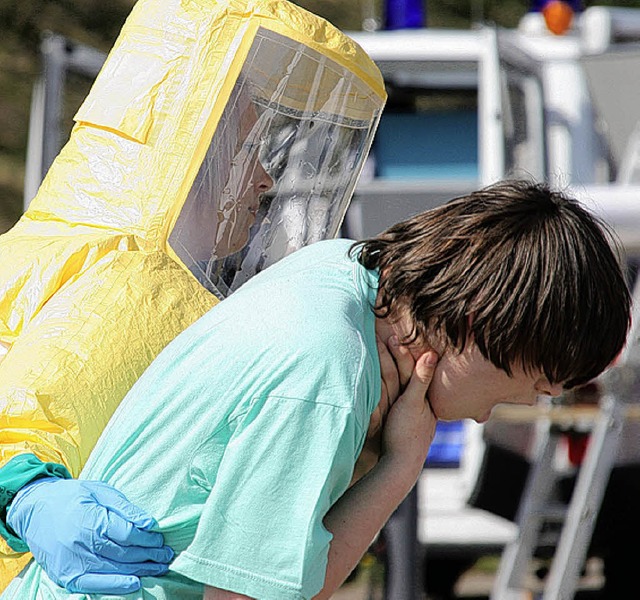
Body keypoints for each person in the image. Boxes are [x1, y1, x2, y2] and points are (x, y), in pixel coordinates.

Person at [2, 180, 631, 599]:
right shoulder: (326, 377)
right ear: (475, 326)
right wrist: (401, 466)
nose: (524, 404)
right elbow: (253, 596)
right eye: (535, 379)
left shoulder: (341, 268)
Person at [0, 0, 386, 593]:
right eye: (246, 149)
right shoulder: (125, 276)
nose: (264, 181)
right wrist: (28, 495)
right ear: (190, 152)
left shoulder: (112, 261)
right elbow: (22, 412)